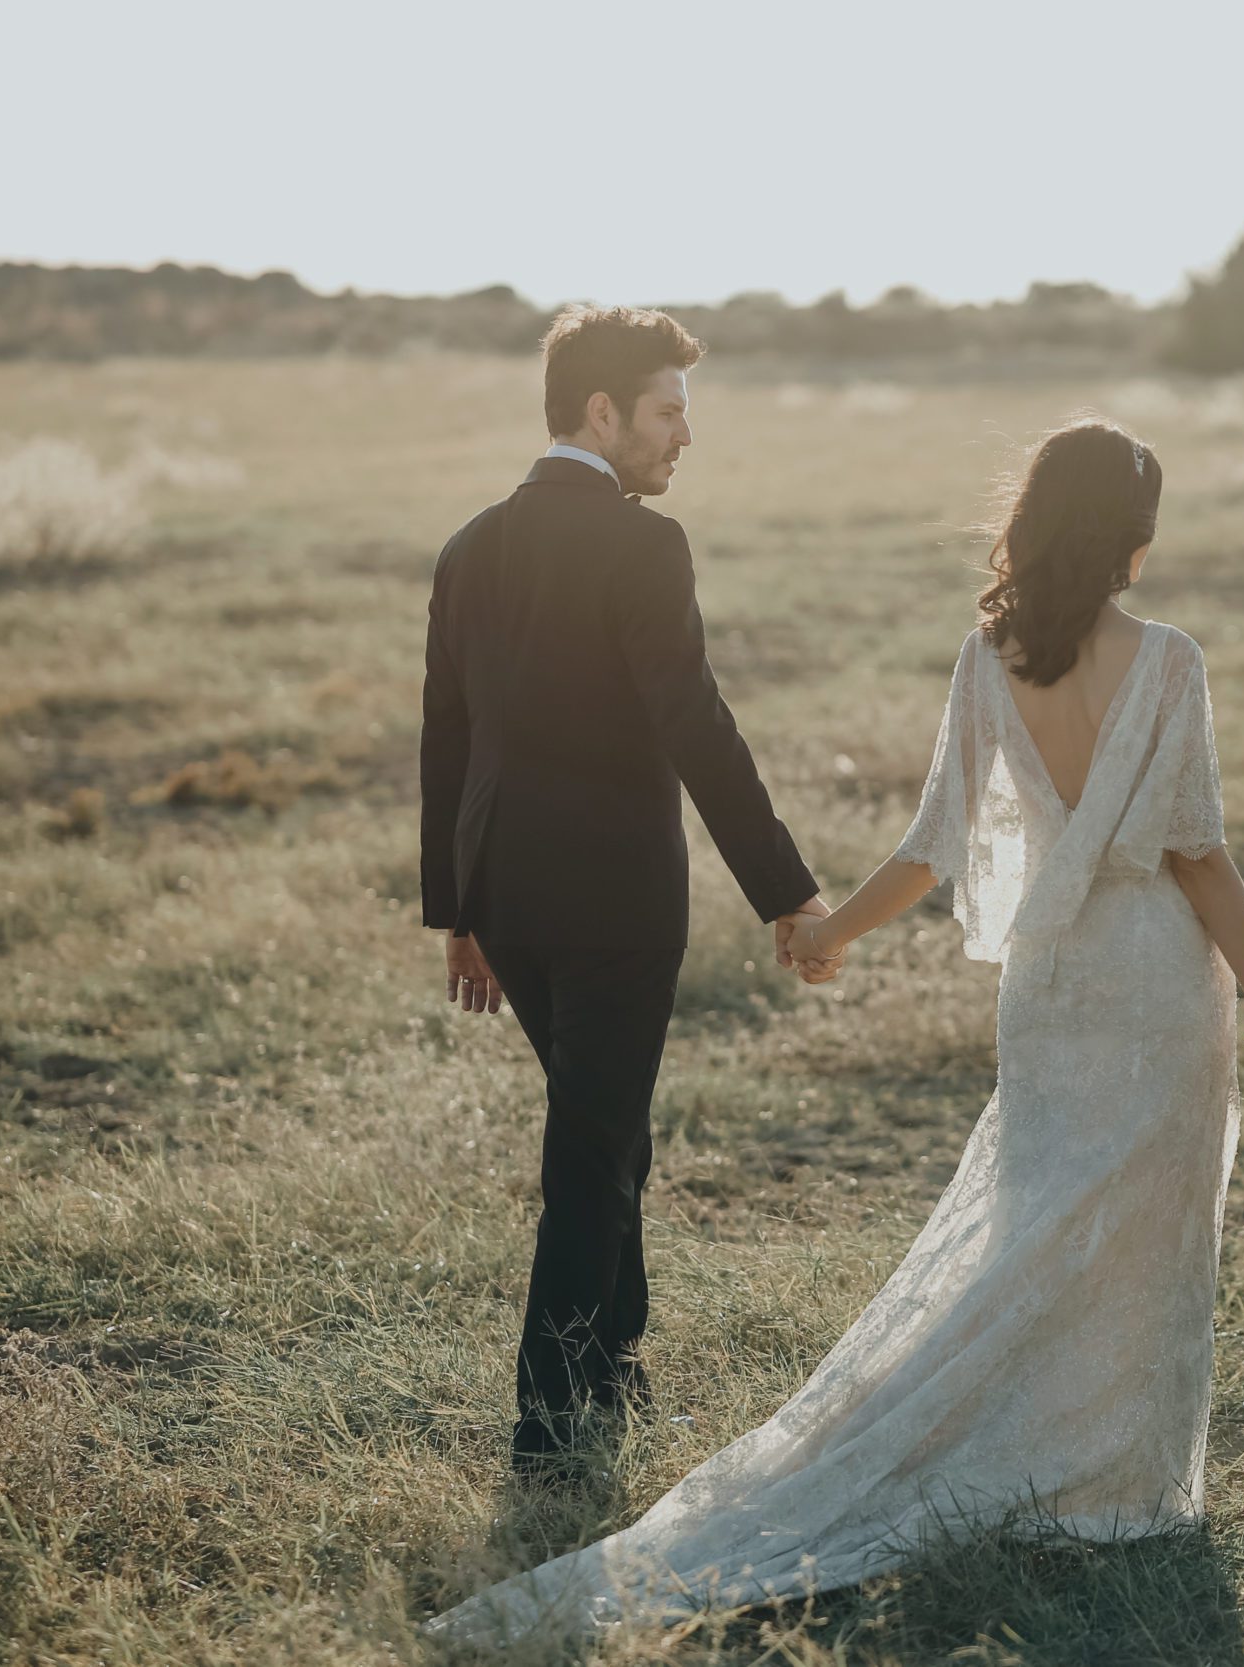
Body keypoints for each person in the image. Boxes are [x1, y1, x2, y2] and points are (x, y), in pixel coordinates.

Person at [424, 415, 1244, 1649]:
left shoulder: (992, 653)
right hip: (1158, 980)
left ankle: (1048, 1454)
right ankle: (1115, 1483)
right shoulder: (1169, 659)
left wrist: (831, 929)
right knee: (1144, 1231)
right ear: (1134, 539)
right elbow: (1199, 854)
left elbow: (930, 846)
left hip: (1052, 986)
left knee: (1036, 1215)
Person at [418, 304, 841, 1474]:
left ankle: (615, 1356)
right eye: (667, 413)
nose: (682, 439)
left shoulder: (468, 545)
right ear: (599, 413)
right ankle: (549, 1428)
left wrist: (457, 912)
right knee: (591, 1151)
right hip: (612, 906)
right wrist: (786, 892)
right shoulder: (644, 547)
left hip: (505, 895)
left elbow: (444, 743)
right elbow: (695, 728)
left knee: (603, 1127)